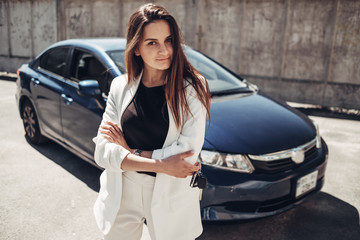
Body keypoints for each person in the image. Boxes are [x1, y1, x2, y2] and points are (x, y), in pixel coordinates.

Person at [92, 3, 211, 240]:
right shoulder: (120, 86)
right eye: (152, 42)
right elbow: (103, 152)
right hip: (122, 188)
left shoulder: (193, 88)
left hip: (170, 193)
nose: (164, 50)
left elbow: (186, 156)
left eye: (169, 40)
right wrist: (160, 164)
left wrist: (131, 151)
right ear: (136, 48)